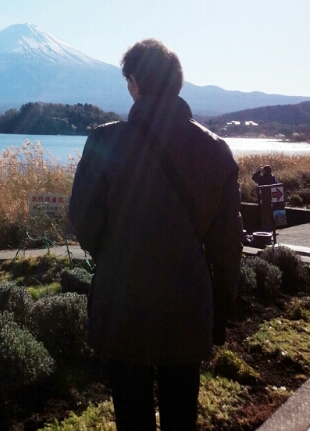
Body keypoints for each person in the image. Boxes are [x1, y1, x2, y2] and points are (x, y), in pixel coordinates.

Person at [69, 39, 242, 431]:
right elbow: (228, 244)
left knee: (132, 415)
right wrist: (224, 302)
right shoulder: (216, 150)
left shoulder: (104, 140)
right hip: (187, 304)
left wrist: (112, 253)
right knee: (182, 414)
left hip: (122, 303)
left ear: (133, 83)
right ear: (178, 84)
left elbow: (82, 218)